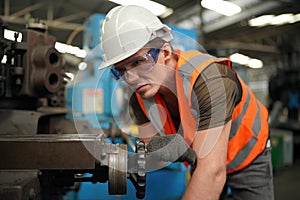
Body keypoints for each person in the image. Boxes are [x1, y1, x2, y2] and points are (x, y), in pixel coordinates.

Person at [99, 5, 274, 200]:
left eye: (139, 62)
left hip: (246, 153)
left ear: (165, 52)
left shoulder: (210, 80)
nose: (130, 78)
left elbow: (212, 173)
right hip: (202, 161)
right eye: (121, 70)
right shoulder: (140, 99)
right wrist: (158, 150)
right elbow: (148, 149)